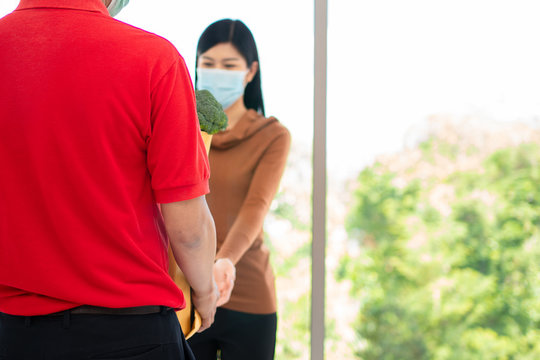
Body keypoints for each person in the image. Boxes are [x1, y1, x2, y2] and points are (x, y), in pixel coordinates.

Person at [0, 1, 219, 359]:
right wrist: (206, 293)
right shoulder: (154, 60)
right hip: (132, 335)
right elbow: (189, 228)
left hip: (14, 335)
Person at [187, 19, 291, 360]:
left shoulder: (272, 136)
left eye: (229, 66)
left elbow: (256, 208)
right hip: (186, 292)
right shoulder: (179, 131)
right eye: (209, 64)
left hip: (248, 296)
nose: (218, 73)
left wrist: (224, 262)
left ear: (250, 71)